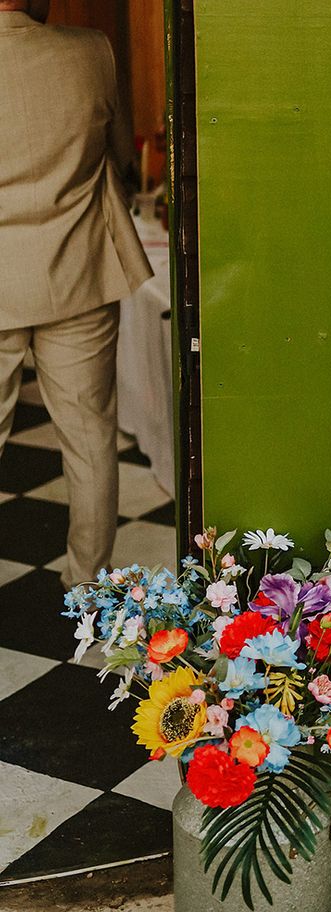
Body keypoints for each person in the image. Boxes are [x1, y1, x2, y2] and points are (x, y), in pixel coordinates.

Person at [0, 0, 152, 588]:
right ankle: (88, 585)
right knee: (90, 440)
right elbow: (116, 156)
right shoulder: (92, 51)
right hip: (79, 271)